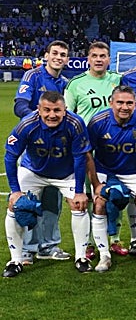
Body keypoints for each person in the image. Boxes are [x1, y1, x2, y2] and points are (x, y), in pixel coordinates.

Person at [3, 91, 92, 277]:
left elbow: (80, 158)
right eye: (47, 110)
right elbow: (10, 157)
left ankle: (81, 257)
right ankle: (15, 260)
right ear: (38, 109)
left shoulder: (75, 124)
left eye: (57, 110)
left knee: (79, 205)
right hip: (33, 171)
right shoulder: (27, 124)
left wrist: (78, 191)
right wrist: (15, 191)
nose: (52, 115)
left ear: (65, 110)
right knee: (14, 206)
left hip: (66, 173)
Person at [86, 85, 136, 271]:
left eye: (129, 103)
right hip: (105, 171)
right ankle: (104, 256)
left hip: (133, 172)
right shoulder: (97, 122)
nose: (124, 107)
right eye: (120, 102)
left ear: (135, 104)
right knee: (99, 204)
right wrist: (95, 184)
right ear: (111, 103)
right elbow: (87, 154)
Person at [15, 40, 72, 263]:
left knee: (52, 199)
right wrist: (42, 122)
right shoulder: (33, 76)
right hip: (34, 144)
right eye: (55, 53)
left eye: (63, 54)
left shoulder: (67, 83)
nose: (58, 57)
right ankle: (28, 248)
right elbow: (19, 105)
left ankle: (48, 246)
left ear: (67, 59)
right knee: (30, 197)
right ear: (46, 55)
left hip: (58, 146)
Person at [64, 41, 122, 123]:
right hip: (87, 134)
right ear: (88, 59)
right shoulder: (75, 83)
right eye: (94, 56)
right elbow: (67, 115)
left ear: (109, 60)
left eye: (102, 56)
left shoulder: (119, 79)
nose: (98, 60)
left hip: (115, 134)